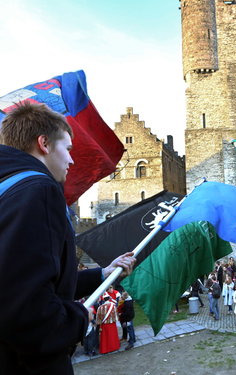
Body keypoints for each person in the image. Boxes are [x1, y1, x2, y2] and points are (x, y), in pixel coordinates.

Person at [0, 102, 136, 375]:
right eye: (68, 149)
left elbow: (25, 276)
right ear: (44, 144)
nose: (72, 160)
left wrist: (102, 274)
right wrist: (77, 319)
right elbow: (26, 308)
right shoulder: (40, 190)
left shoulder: (8, 190)